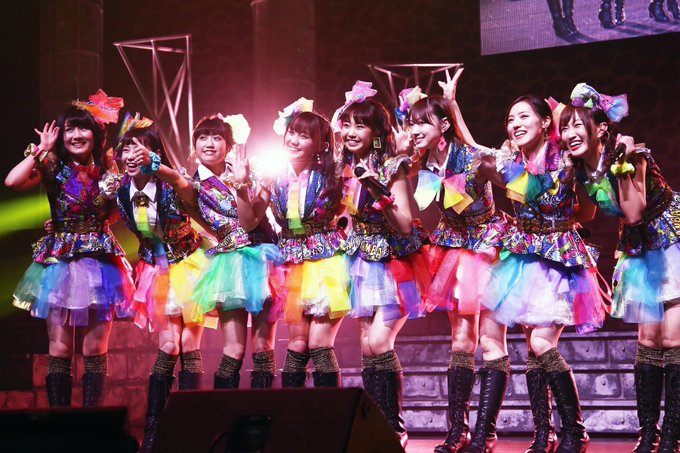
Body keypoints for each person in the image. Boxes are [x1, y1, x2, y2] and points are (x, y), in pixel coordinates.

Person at [470, 95, 607, 453]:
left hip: (557, 257)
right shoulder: (511, 158)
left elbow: (588, 212)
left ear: (545, 122)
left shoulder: (565, 156)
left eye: (523, 116)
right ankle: (544, 435)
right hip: (522, 257)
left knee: (541, 344)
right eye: (510, 118)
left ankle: (575, 431)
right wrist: (453, 108)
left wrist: (560, 220)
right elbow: (471, 149)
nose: (515, 124)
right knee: (532, 350)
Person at [561, 83, 680, 453]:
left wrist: (621, 168)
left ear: (600, 128)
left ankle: (672, 435)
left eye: (577, 125)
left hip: (670, 241)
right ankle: (648, 434)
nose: (569, 133)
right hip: (639, 247)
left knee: (673, 340)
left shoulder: (632, 155)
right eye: (565, 127)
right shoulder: (581, 169)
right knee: (647, 342)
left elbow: (634, 212)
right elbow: (587, 213)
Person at [403, 72, 511, 453]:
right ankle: (457, 431)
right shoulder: (421, 166)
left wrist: (453, 105)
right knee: (461, 341)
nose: (415, 129)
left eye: (422, 122)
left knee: (491, 341)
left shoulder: (469, 155)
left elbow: (499, 169)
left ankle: (486, 432)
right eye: (411, 123)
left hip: (488, 247)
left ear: (444, 126)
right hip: (452, 248)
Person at [6, 91, 133, 408]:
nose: (76, 135)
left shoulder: (108, 169)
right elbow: (12, 182)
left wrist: (104, 210)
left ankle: (92, 424)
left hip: (101, 262)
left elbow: (117, 214)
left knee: (95, 350)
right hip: (61, 261)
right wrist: (41, 149)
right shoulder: (52, 165)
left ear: (96, 133)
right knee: (60, 349)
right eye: (69, 129)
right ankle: (59, 424)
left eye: (83, 128)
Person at [137, 113, 281, 390]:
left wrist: (247, 183)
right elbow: (176, 180)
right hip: (230, 267)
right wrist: (154, 163)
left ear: (229, 146)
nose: (210, 143)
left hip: (264, 259)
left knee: (263, 347)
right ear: (194, 146)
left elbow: (253, 219)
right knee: (234, 349)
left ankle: (262, 413)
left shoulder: (251, 173)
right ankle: (223, 412)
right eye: (203, 138)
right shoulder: (194, 186)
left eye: (217, 138)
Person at [332, 81, 430, 447]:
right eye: (347, 124)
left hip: (394, 264)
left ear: (376, 133)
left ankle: (394, 427)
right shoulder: (345, 168)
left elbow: (404, 223)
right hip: (360, 261)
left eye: (360, 125)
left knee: (379, 340)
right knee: (366, 345)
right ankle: (377, 429)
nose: (351, 132)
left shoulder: (392, 167)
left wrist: (378, 190)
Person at [234, 99, 351, 389]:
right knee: (296, 345)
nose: (294, 140)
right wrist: (241, 186)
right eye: (292, 132)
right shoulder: (271, 176)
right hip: (289, 264)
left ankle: (333, 415)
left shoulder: (335, 174)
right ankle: (292, 414)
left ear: (320, 144)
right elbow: (249, 221)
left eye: (304, 135)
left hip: (326, 262)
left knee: (319, 344)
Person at [114, 117, 211, 453]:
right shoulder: (121, 191)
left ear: (154, 152)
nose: (131, 155)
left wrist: (159, 167)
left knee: (190, 343)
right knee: (168, 346)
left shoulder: (171, 182)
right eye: (126, 148)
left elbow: (187, 188)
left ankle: (192, 429)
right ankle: (155, 429)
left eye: (139, 149)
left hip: (189, 264)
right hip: (156, 271)